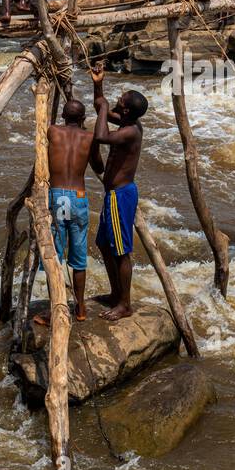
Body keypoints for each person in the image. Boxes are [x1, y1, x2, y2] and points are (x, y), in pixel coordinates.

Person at [89, 63, 147, 320]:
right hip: (113, 195)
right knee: (103, 243)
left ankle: (124, 304)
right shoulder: (126, 120)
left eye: (119, 100)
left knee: (121, 250)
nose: (115, 101)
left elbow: (101, 136)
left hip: (120, 196)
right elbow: (99, 105)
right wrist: (97, 83)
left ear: (124, 109)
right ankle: (115, 294)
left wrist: (102, 109)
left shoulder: (130, 132)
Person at [33, 98, 94, 325]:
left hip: (58, 197)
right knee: (78, 259)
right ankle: (80, 307)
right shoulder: (89, 137)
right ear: (83, 119)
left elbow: (44, 126)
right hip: (78, 197)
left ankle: (56, 308)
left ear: (63, 117)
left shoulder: (52, 131)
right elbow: (97, 164)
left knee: (55, 256)